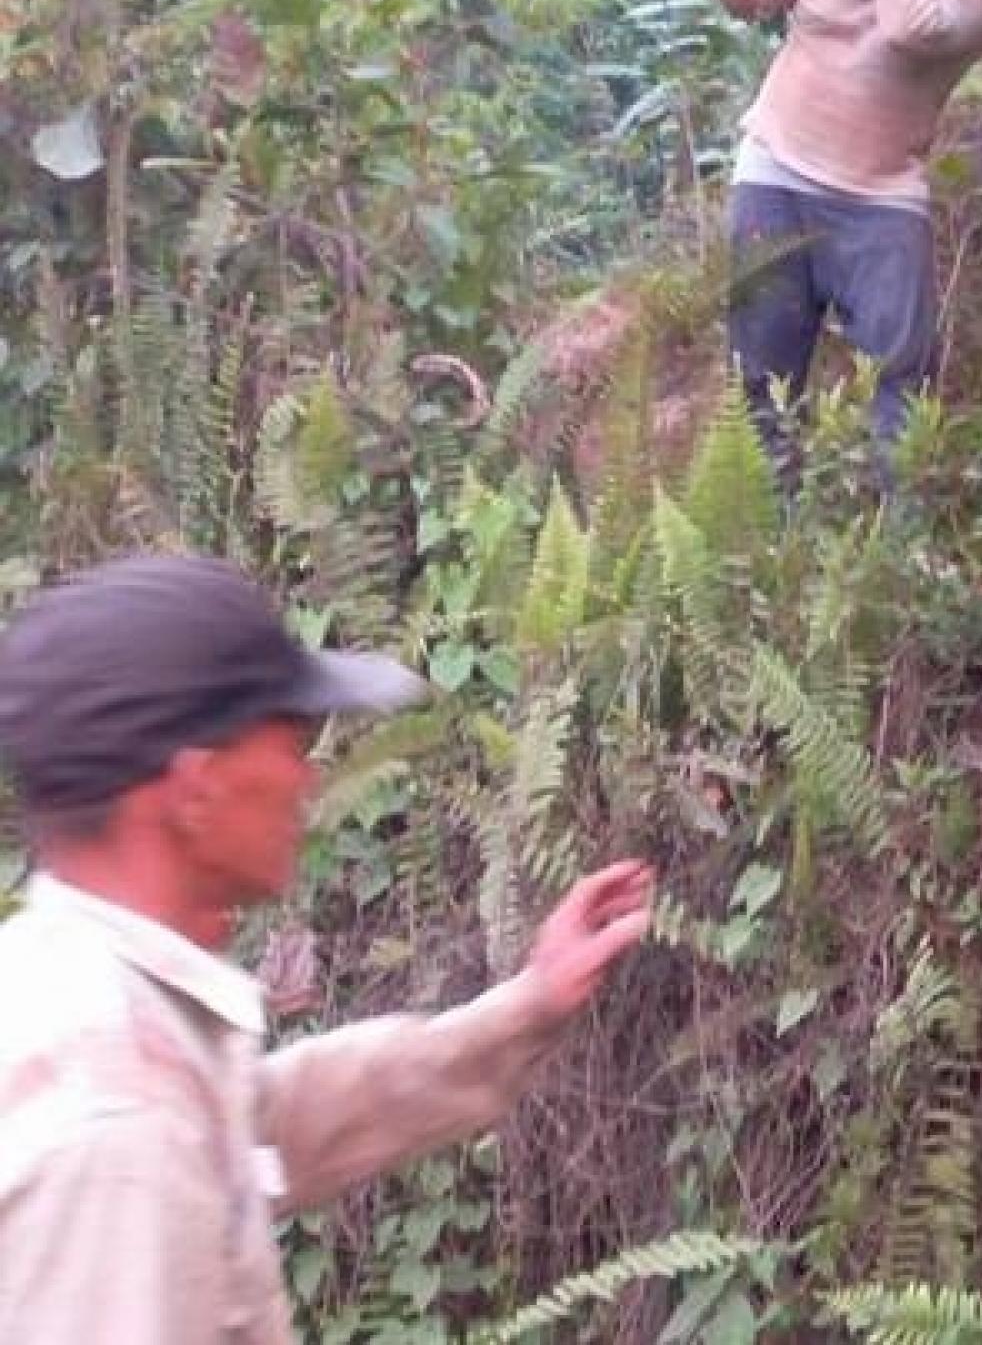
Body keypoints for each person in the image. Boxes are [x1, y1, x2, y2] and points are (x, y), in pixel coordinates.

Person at [0, 554, 655, 1340]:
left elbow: (278, 1121)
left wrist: (530, 1004)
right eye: (293, 740)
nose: (307, 779)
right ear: (197, 788)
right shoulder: (117, 1131)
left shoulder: (75, 995)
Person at [693, 0, 982, 472]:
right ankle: (774, 546)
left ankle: (890, 548)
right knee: (760, 380)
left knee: (901, 380)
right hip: (775, 174)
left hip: (881, 197)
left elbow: (907, 24)